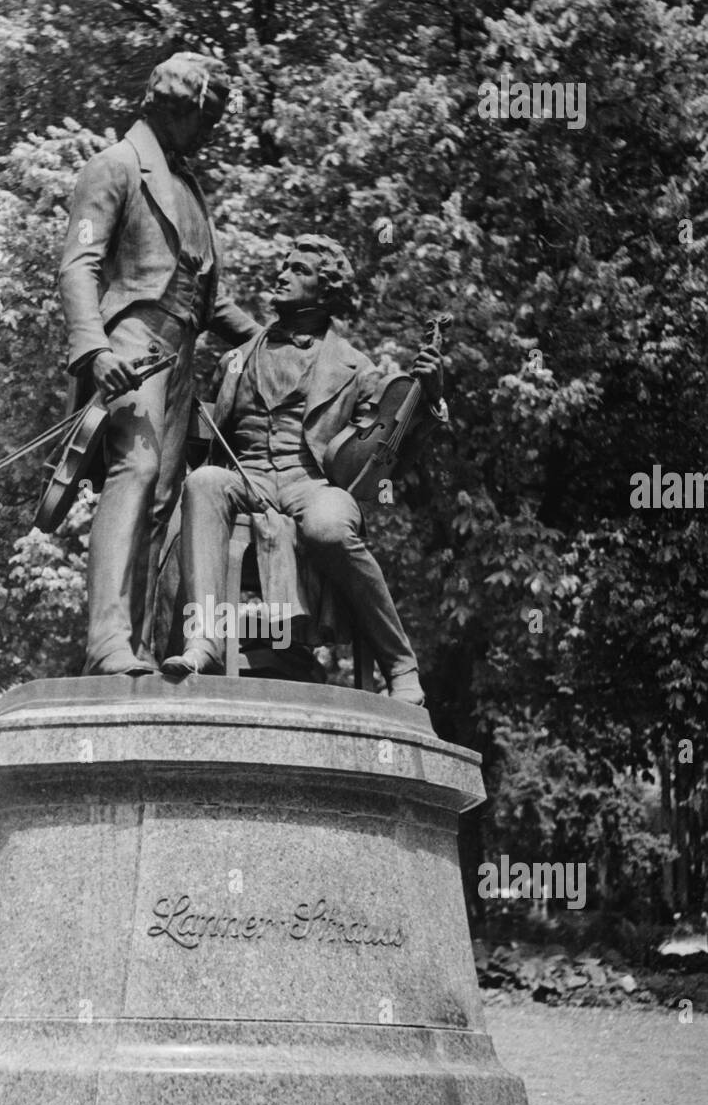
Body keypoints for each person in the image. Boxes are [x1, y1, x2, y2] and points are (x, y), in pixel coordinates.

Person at [160, 234, 447, 704]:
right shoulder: (237, 359)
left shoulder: (356, 367)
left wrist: (429, 397)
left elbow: (386, 457)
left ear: (325, 288)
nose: (283, 274)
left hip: (313, 482)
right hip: (246, 474)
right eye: (285, 265)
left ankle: (401, 665)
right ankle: (204, 640)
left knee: (328, 528)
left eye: (299, 270)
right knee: (205, 481)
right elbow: (209, 437)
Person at [59, 52, 258, 676]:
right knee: (136, 470)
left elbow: (210, 298)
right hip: (131, 345)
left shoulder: (190, 188)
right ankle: (107, 642)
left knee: (163, 500)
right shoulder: (114, 166)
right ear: (176, 106)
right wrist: (94, 350)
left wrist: (265, 343)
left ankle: (135, 648)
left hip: (182, 359)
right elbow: (79, 265)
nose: (210, 133)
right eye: (206, 119)